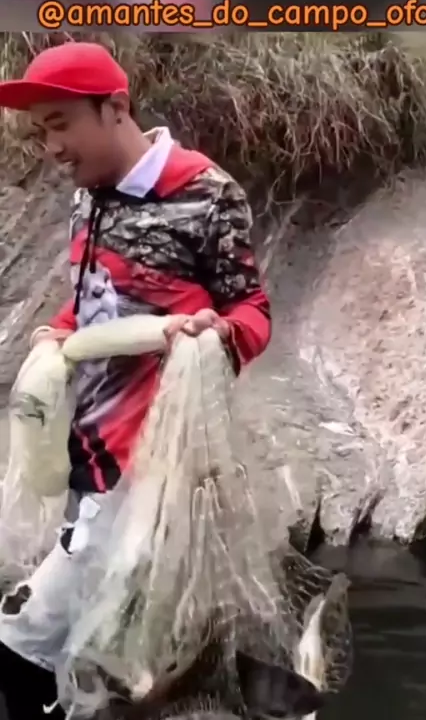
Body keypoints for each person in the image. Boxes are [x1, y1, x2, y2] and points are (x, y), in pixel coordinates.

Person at [0, 40, 271, 719]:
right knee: (67, 660)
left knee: (49, 653)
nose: (51, 148)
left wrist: (218, 334)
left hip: (155, 477)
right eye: (40, 134)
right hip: (89, 463)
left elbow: (252, 310)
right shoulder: (86, 198)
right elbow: (98, 301)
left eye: (60, 124)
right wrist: (59, 329)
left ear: (115, 107)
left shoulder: (205, 192)